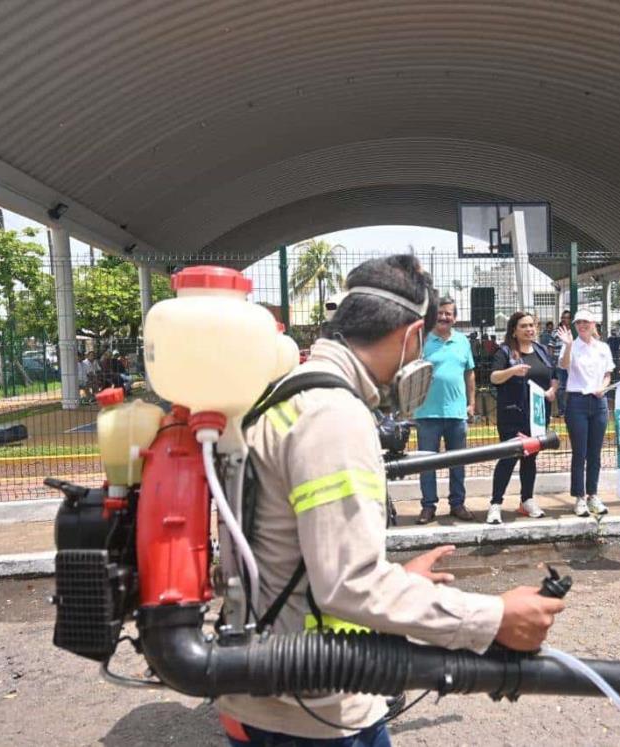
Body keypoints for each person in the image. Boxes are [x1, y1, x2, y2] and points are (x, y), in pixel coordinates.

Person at [223, 255, 565, 745]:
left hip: (273, 683)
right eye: (423, 339)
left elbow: (291, 552)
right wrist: (493, 618)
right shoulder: (334, 417)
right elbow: (349, 584)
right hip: (316, 709)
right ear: (409, 334)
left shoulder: (287, 395)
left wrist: (399, 581)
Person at [487, 312, 558, 524]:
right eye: (524, 326)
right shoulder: (505, 352)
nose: (529, 329)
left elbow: (553, 377)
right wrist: (512, 371)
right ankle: (496, 504)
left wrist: (553, 391)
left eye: (531, 325)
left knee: (530, 459)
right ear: (514, 331)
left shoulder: (542, 350)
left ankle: (526, 500)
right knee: (508, 457)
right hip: (512, 415)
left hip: (537, 415)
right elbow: (494, 377)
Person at [414, 298, 476, 524]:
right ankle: (428, 506)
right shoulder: (421, 342)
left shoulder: (462, 342)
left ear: (455, 317)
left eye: (448, 313)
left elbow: (470, 373)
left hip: (457, 414)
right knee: (426, 464)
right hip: (426, 414)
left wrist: (471, 403)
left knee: (457, 462)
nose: (443, 317)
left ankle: (457, 504)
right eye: (439, 313)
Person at [557, 309, 613, 517]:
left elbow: (608, 374)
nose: (582, 325)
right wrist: (569, 345)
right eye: (578, 322)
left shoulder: (603, 348)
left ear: (593, 324)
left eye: (586, 322)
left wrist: (603, 387)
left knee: (595, 452)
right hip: (577, 402)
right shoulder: (571, 346)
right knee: (579, 452)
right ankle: (579, 497)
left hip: (598, 402)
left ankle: (593, 495)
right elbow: (563, 366)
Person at [551, 310, 573, 417]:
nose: (564, 320)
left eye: (567, 317)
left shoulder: (575, 332)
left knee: (574, 387)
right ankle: (562, 411)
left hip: (572, 364)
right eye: (563, 317)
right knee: (560, 388)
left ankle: (572, 409)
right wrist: (552, 361)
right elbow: (550, 347)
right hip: (559, 364)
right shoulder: (556, 332)